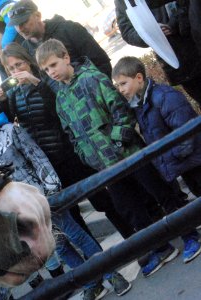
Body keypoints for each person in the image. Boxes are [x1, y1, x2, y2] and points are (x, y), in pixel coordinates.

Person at [36, 38, 201, 277]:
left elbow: (121, 110)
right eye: (46, 70)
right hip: (104, 168)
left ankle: (189, 235)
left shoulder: (93, 79)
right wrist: (87, 156)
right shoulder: (61, 98)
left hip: (129, 154)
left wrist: (117, 140)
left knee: (162, 194)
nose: (51, 72)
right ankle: (160, 247)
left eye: (53, 65)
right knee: (131, 210)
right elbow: (70, 133)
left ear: (66, 57)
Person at [0, 99, 132, 300]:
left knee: (74, 234)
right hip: (17, 207)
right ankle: (90, 281)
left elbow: (36, 156)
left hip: (41, 195)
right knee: (58, 246)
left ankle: (111, 274)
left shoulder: (9, 130)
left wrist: (50, 190)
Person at [0, 42, 136, 247]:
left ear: (30, 62)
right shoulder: (15, 94)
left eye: (19, 64)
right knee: (72, 213)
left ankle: (132, 241)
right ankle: (101, 261)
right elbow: (4, 124)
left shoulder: (47, 80)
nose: (17, 71)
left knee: (102, 200)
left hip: (69, 154)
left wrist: (36, 83)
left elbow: (58, 108)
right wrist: (2, 100)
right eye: (11, 69)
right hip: (46, 163)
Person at [113, 56, 201, 199]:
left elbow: (187, 130)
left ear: (139, 77)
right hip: (185, 165)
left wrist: (174, 155)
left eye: (123, 83)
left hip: (193, 161)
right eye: (118, 86)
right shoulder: (140, 105)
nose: (121, 90)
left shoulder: (164, 97)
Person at [114, 0, 201, 105]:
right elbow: (127, 30)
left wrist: (174, 23)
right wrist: (150, 35)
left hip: (191, 38)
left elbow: (186, 4)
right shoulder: (122, 1)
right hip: (175, 57)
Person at [6, 0, 112, 79]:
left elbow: (101, 63)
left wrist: (99, 93)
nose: (20, 28)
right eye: (16, 25)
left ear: (37, 16)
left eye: (23, 22)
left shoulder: (69, 29)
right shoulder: (25, 50)